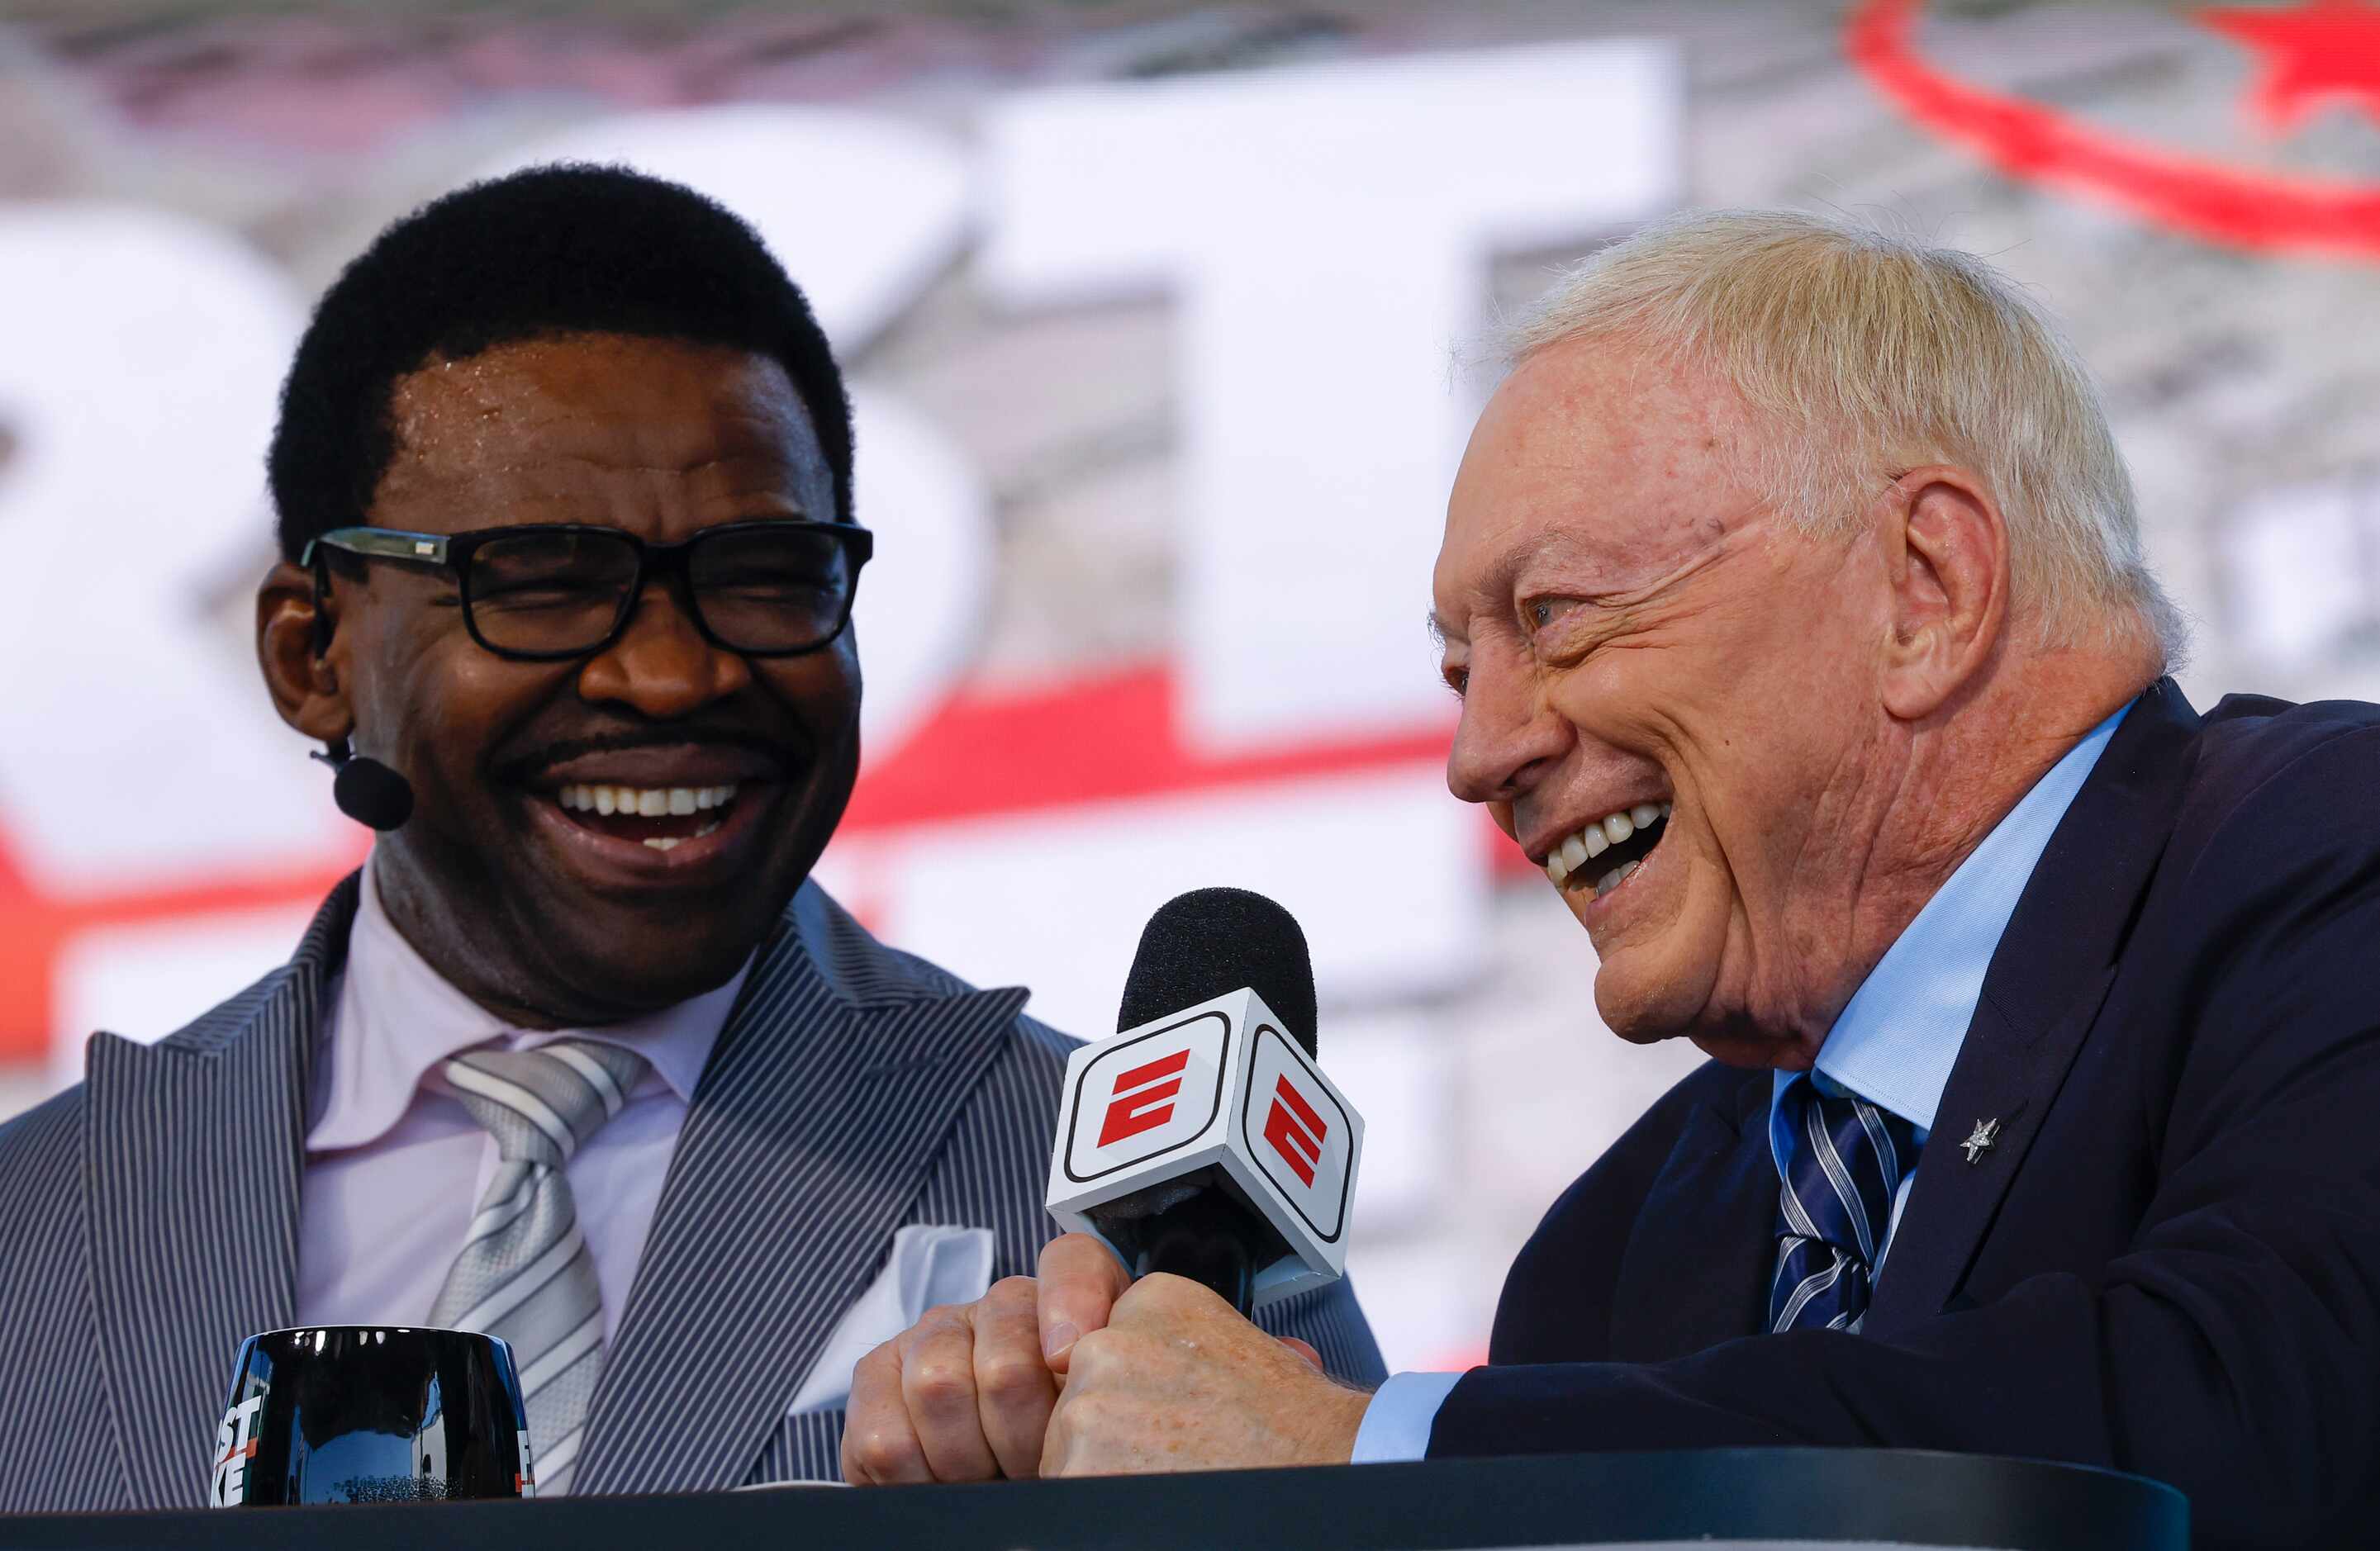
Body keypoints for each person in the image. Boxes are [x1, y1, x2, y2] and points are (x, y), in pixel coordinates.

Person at [840, 210, 2380, 1549]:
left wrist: (1366, 1459)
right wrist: (1089, 1494)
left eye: (1559, 616)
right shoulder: (1621, 1244)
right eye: (1460, 669)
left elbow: (2267, 1407)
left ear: (1927, 588)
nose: (1482, 751)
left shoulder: (2328, 849)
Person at [0, 164, 1380, 1513]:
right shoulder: (39, 1224)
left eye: (765, 577)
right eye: (540, 585)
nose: (672, 676)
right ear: (312, 655)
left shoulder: (1147, 1228)